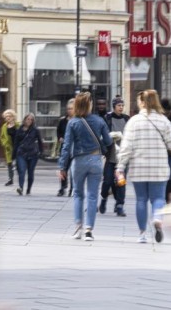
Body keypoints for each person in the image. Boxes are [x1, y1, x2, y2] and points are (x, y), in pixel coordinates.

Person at [115, 90, 171, 243]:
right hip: (159, 168)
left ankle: (142, 234)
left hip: (138, 168)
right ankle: (157, 219)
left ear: (142, 102)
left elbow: (126, 147)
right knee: (158, 198)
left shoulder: (133, 121)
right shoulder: (164, 121)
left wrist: (120, 167)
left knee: (141, 199)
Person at [58, 92, 112, 242]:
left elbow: (66, 146)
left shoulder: (73, 122)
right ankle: (89, 229)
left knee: (78, 194)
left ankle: (77, 228)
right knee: (93, 195)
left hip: (78, 161)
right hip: (95, 160)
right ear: (89, 105)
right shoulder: (99, 120)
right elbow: (108, 141)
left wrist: (62, 166)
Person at [100, 97, 129, 217]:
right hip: (111, 156)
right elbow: (103, 133)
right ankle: (103, 199)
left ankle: (119, 205)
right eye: (119, 105)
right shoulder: (108, 118)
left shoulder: (127, 119)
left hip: (122, 158)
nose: (121, 107)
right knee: (107, 181)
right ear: (114, 106)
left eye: (122, 105)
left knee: (120, 182)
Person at [13, 113, 43, 196]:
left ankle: (29, 189)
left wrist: (41, 151)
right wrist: (13, 155)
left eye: (31, 119)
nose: (29, 121)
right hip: (21, 153)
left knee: (30, 172)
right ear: (24, 119)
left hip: (32, 154)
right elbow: (15, 143)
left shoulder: (35, 130)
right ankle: (21, 187)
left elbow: (40, 142)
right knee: (21, 171)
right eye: (28, 119)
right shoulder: (19, 129)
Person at [56, 99, 75, 197]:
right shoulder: (63, 121)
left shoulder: (78, 121)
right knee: (63, 168)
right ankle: (62, 188)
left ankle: (72, 188)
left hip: (75, 149)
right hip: (64, 148)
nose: (69, 110)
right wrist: (60, 138)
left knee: (73, 170)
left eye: (71, 109)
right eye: (68, 109)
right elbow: (58, 131)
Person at [0, 109, 19, 186]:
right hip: (9, 148)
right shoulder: (4, 127)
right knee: (9, 164)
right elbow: (2, 137)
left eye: (9, 116)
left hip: (18, 147)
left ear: (13, 117)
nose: (8, 118)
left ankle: (21, 178)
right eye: (6, 117)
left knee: (18, 163)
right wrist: (4, 143)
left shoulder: (18, 125)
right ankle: (10, 179)